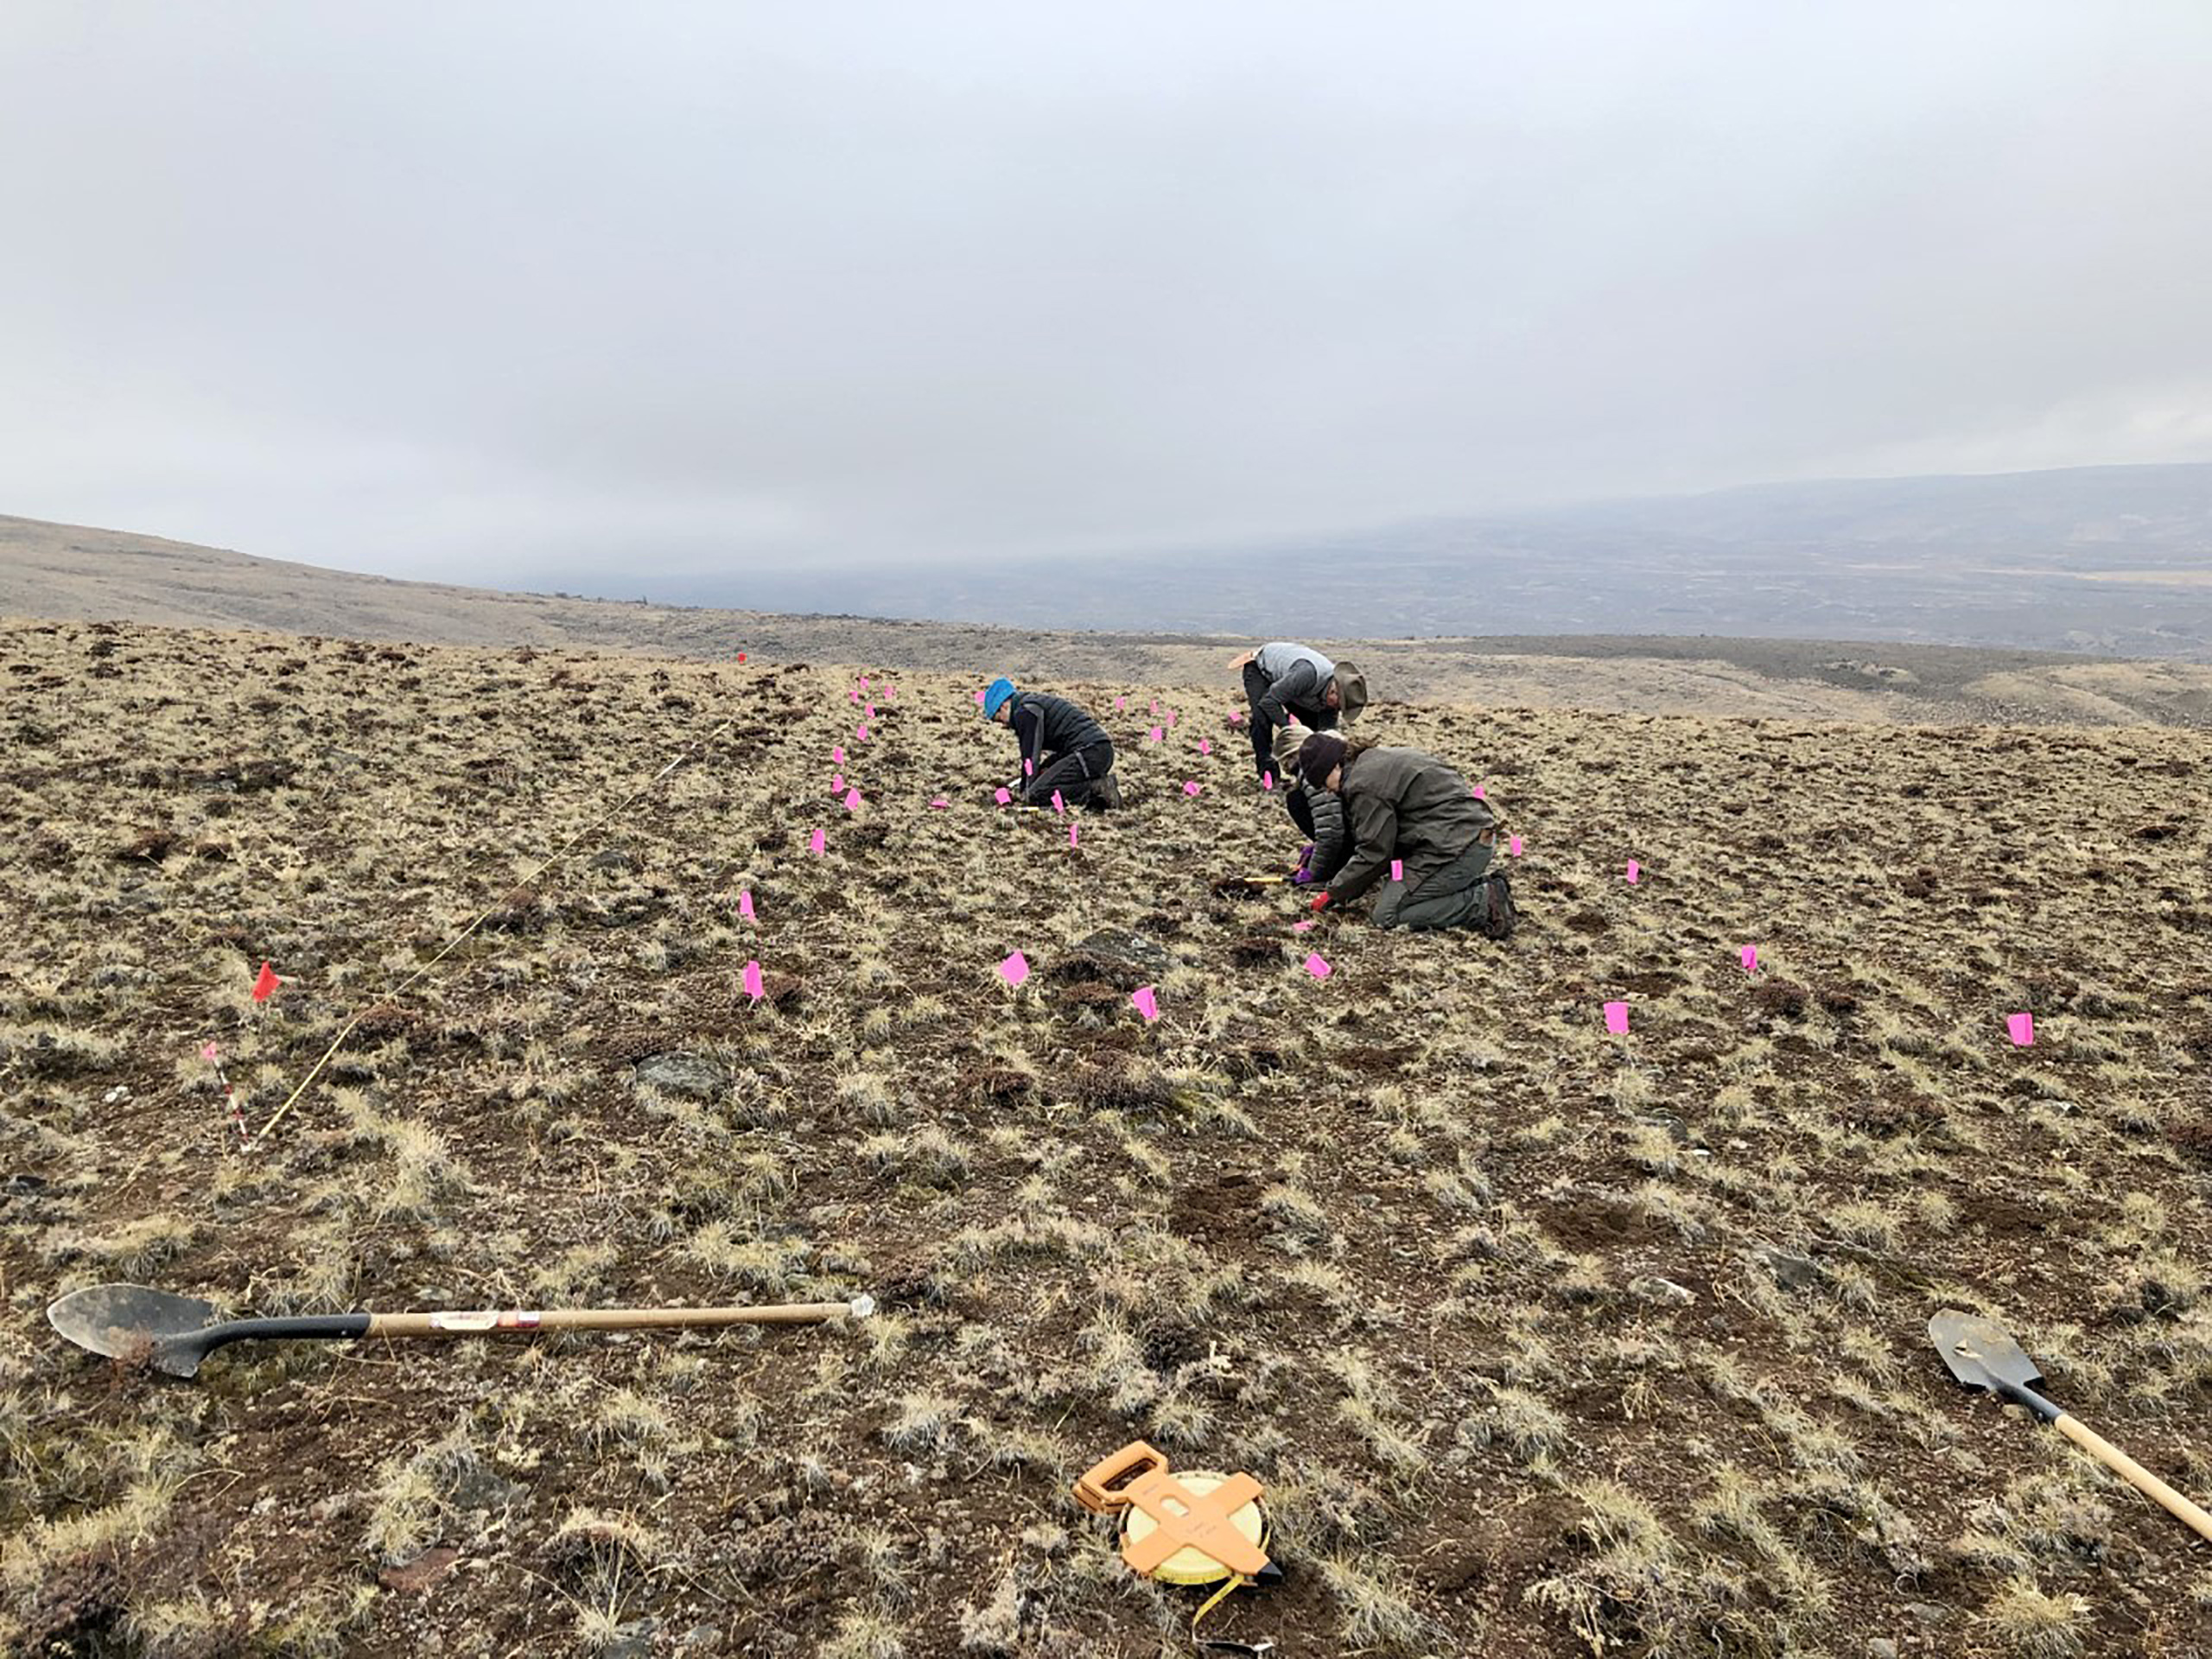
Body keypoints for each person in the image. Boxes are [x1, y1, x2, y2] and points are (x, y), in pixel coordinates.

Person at [1295, 731, 1511, 934]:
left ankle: (1481, 903)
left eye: (1323, 782)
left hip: (1457, 848)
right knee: (1394, 891)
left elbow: (1375, 852)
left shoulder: (1362, 784)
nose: (1327, 791)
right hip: (1463, 837)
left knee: (1386, 914)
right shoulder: (1371, 761)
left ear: (1334, 766)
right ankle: (1485, 887)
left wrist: (1333, 892)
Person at [1230, 644, 1368, 781]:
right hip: (1262, 669)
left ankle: (1309, 776)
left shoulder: (1333, 699)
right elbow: (1269, 701)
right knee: (1262, 719)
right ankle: (1269, 775)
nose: (1337, 710)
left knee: (1313, 730)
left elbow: (1326, 736)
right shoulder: (1307, 675)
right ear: (1333, 692)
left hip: (1292, 686)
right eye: (1338, 706)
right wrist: (1290, 729)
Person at [982, 677, 1121, 808]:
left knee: (1037, 794)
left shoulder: (1025, 712)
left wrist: (1026, 792)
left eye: (999, 719)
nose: (1004, 725)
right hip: (1098, 751)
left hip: (1090, 753)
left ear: (1004, 706)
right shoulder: (1029, 704)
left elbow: (1030, 756)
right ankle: (1098, 794)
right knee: (1043, 775)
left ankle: (1097, 788)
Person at [1271, 725, 1351, 889]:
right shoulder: (1335, 752)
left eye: (1285, 761)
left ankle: (1342, 866)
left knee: (1295, 799)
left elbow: (1330, 832)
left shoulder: (1314, 770)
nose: (1285, 768)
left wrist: (1314, 873)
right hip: (1377, 836)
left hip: (1371, 845)